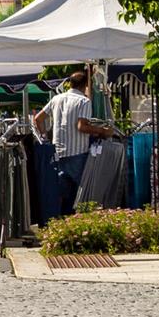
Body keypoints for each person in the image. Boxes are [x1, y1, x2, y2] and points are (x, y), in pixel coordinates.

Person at [32, 70, 113, 219]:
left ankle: (61, 226)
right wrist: (102, 131)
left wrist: (45, 138)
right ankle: (79, 226)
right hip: (77, 153)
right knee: (81, 195)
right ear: (85, 85)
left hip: (58, 153)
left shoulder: (57, 98)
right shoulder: (84, 101)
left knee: (62, 196)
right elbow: (81, 126)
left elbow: (37, 119)